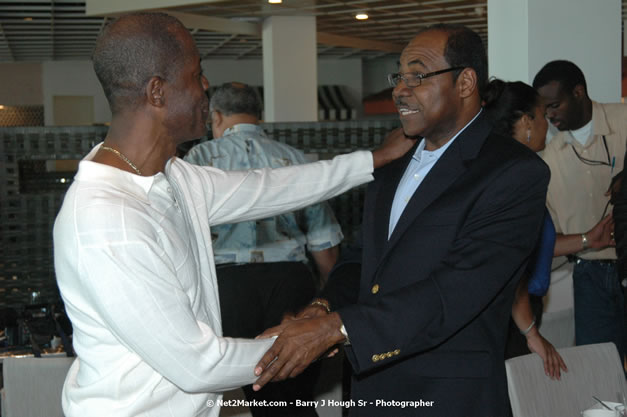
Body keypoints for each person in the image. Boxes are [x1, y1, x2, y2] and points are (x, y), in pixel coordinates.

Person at [52, 12, 415, 417]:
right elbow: (198, 364)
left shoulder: (171, 176)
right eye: (196, 73)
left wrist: (373, 159)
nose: (205, 86)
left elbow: (270, 186)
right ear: (157, 93)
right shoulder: (108, 221)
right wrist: (317, 338)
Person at [253, 24, 550, 417]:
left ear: (464, 82)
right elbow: (362, 258)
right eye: (399, 76)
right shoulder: (394, 160)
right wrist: (324, 306)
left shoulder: (512, 171)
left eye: (417, 75)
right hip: (368, 388)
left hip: (446, 398)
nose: (399, 89)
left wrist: (337, 328)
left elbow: (455, 290)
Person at [184, 82, 343, 416]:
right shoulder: (296, 160)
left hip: (229, 289)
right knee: (293, 397)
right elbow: (325, 248)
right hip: (291, 283)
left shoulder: (197, 160)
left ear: (216, 116)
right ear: (259, 116)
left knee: (256, 396)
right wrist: (329, 303)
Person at [483, 79, 614, 377]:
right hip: (511, 316)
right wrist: (530, 331)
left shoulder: (497, 166)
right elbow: (510, 263)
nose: (548, 124)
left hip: (511, 313)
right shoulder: (523, 173)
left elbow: (530, 246)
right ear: (527, 120)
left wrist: (587, 240)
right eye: (542, 115)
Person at [532, 60, 627, 364]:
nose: (549, 114)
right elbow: (548, 238)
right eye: (544, 108)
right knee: (599, 370)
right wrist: (587, 240)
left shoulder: (624, 118)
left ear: (579, 92)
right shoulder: (547, 161)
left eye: (555, 105)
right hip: (589, 276)